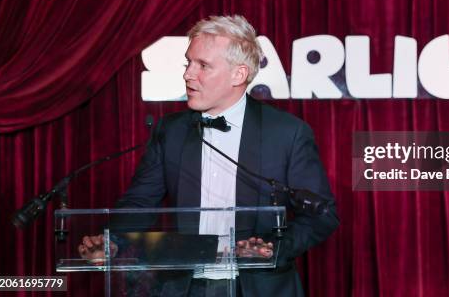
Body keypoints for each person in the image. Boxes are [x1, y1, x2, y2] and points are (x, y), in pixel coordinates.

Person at [79, 15, 339, 296]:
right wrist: (112, 241)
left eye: (203, 66)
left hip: (259, 286)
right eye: (188, 63)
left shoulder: (288, 133)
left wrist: (273, 249)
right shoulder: (171, 131)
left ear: (238, 75)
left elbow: (321, 216)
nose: (188, 74)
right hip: (185, 286)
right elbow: (140, 203)